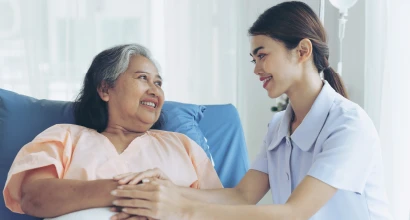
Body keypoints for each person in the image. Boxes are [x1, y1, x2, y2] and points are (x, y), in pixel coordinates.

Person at [108, 2, 393, 220]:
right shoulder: (280, 126)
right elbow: (242, 196)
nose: (256, 69)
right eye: (253, 58)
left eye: (262, 55)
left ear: (302, 51)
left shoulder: (348, 125)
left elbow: (294, 213)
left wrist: (182, 209)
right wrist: (169, 191)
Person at [3, 44, 222, 219]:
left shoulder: (182, 146)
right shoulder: (65, 137)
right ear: (105, 89)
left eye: (159, 82)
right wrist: (136, 193)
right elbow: (34, 197)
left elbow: (225, 209)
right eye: (143, 78)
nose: (155, 90)